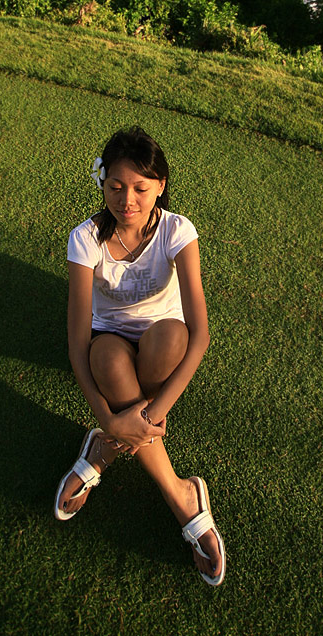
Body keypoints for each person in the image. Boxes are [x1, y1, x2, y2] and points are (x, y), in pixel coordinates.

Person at [54, 126, 225, 586]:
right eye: (115, 186)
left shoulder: (177, 230)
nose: (126, 200)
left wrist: (149, 415)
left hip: (160, 339)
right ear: (102, 183)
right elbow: (77, 345)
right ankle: (180, 493)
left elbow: (201, 336)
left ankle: (103, 452)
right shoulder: (85, 239)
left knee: (172, 337)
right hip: (108, 336)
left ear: (160, 186)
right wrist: (108, 420)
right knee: (106, 360)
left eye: (140, 188)